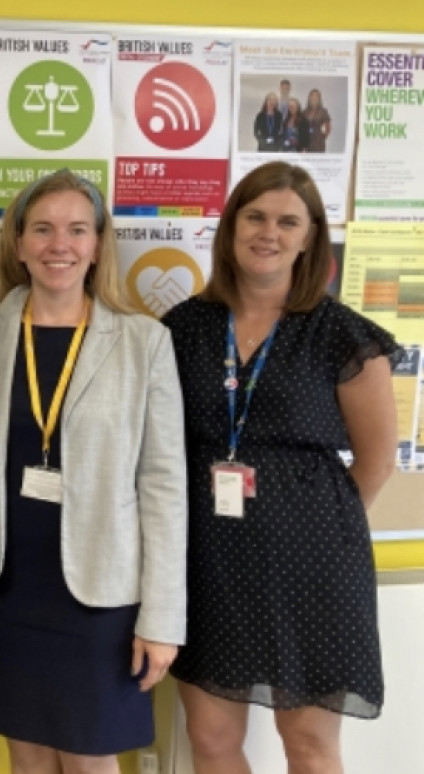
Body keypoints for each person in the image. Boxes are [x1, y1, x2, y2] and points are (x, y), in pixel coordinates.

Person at [0, 170, 188, 774]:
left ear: (98, 243)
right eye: (43, 229)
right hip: (3, 586)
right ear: (18, 243)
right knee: (25, 758)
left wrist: (162, 618)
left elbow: (163, 486)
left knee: (90, 762)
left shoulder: (143, 343)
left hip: (101, 598)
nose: (60, 244)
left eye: (77, 229)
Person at [162, 161, 400, 774]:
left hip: (314, 565)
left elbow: (375, 462)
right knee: (211, 741)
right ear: (232, 226)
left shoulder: (344, 336)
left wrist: (308, 526)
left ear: (309, 236)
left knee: (311, 747)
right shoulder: (183, 329)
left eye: (287, 221)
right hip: (205, 559)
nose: (269, 232)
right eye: (256, 216)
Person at [305, 88, 332, 153]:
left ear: (319, 99)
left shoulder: (323, 112)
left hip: (318, 144)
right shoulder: (304, 112)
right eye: (312, 96)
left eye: (316, 96)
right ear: (309, 98)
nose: (314, 98)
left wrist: (322, 137)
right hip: (306, 144)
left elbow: (328, 128)